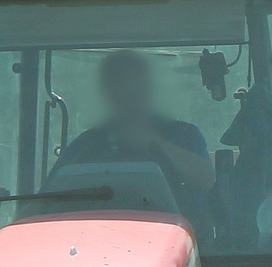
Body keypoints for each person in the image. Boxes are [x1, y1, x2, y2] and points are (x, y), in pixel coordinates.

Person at [53, 50, 214, 229]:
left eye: (136, 85)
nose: (129, 94)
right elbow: (44, 202)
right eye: (121, 86)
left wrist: (155, 144)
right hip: (97, 240)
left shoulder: (184, 136)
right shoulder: (86, 145)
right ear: (107, 92)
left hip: (183, 243)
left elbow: (207, 181)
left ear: (149, 88)